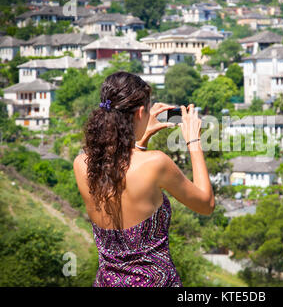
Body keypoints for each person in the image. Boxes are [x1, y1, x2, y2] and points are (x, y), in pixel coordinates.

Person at [73, 71, 215, 287]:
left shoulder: (82, 164)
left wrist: (140, 139)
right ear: (140, 113)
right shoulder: (155, 163)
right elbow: (206, 204)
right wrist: (194, 141)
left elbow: (123, 177)